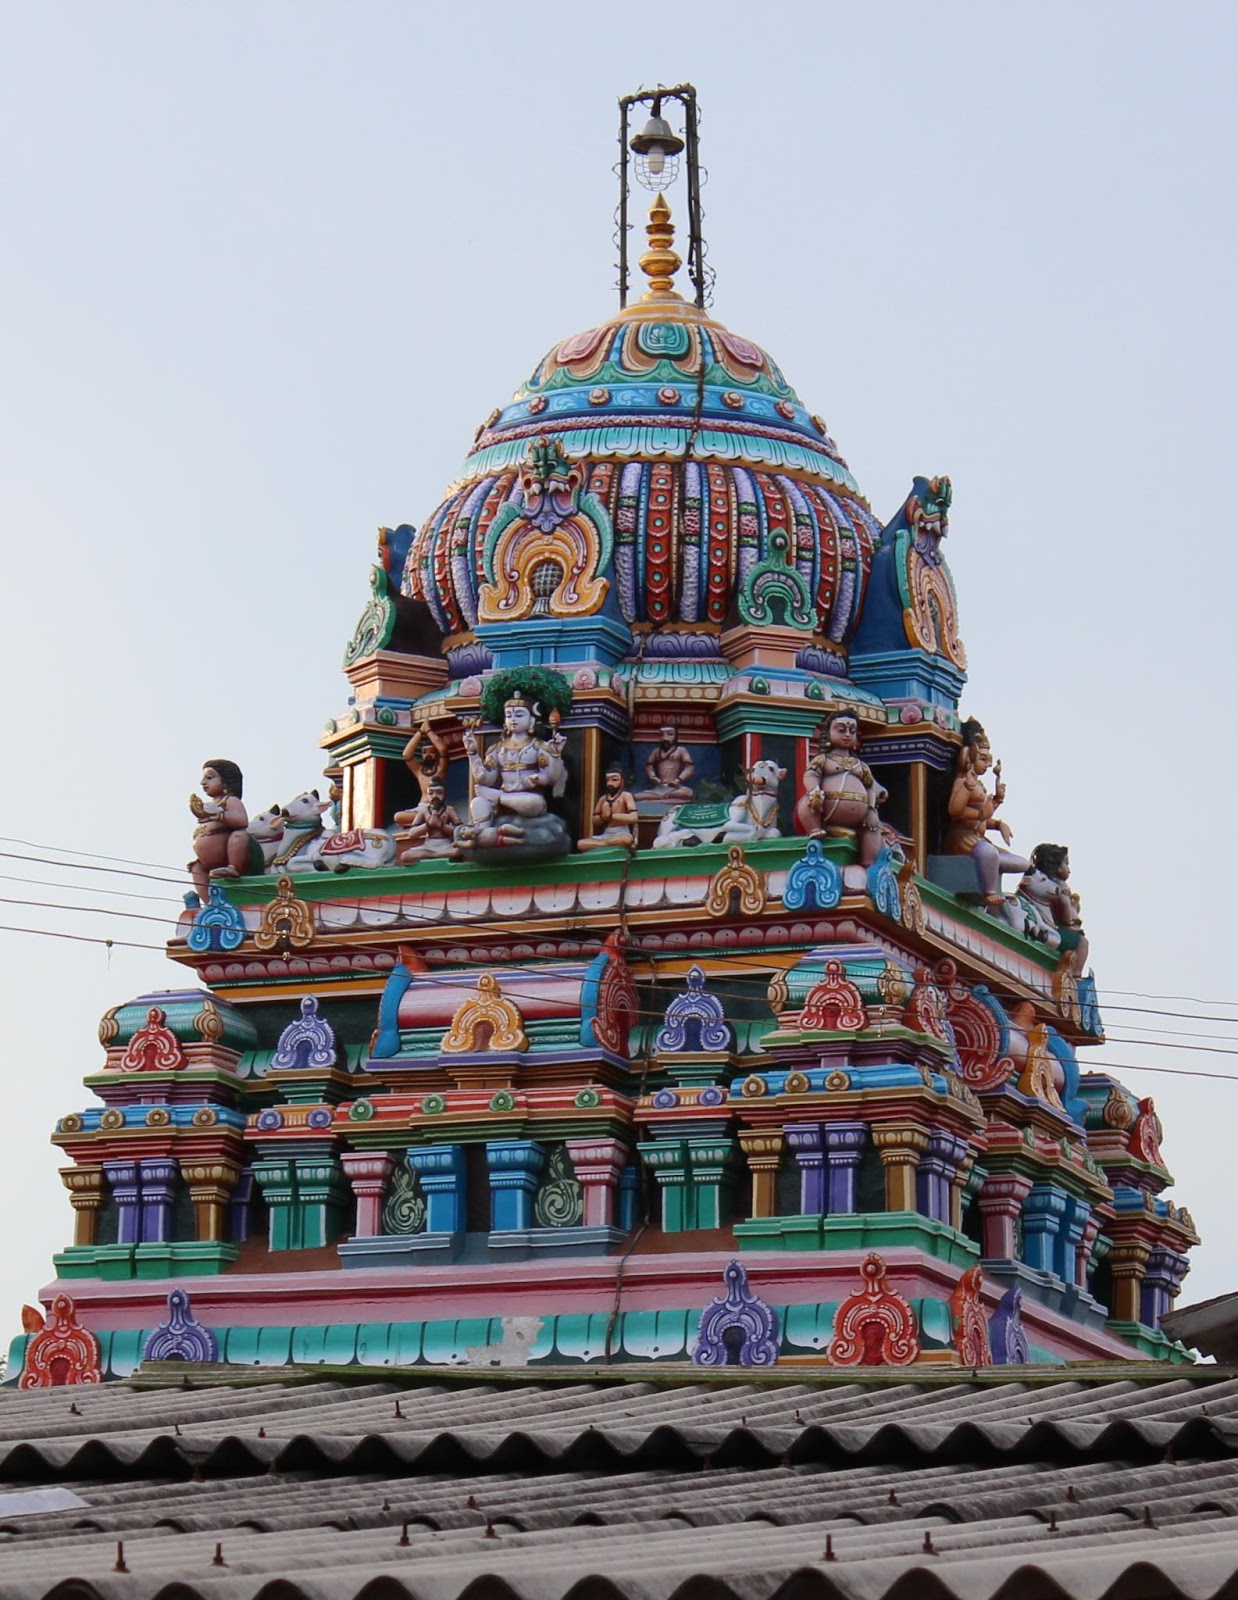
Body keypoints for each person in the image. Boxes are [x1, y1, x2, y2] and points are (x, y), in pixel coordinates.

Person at [456, 692, 566, 849]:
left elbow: (551, 777)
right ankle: (483, 833)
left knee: (535, 803)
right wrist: (472, 753)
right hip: (504, 800)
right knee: (477, 802)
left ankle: (498, 798)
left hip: (527, 799)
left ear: (531, 721)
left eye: (519, 715)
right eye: (509, 715)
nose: (513, 719)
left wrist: (542, 773)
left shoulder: (538, 746)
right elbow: (484, 779)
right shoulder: (497, 748)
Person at [946, 719, 1029, 903]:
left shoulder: (978, 784)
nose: (988, 764)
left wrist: (998, 822)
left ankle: (988, 868)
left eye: (988, 759)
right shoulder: (964, 782)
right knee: (989, 853)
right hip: (963, 838)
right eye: (983, 759)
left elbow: (982, 815)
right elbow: (955, 811)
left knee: (1023, 863)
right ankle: (989, 892)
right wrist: (982, 813)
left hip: (979, 839)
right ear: (970, 756)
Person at [795, 709, 887, 866]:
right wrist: (814, 791)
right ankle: (814, 830)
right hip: (826, 810)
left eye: (852, 731)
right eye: (841, 730)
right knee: (806, 803)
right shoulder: (823, 760)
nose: (847, 735)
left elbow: (870, 787)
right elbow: (811, 775)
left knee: (874, 826)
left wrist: (871, 810)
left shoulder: (861, 766)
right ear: (828, 733)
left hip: (859, 817)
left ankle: (869, 863)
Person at [1019, 843, 1090, 975]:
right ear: (1057, 867)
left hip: (1040, 921)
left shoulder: (1037, 880)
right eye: (1066, 864)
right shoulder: (1058, 887)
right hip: (1051, 928)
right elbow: (1065, 916)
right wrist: (1069, 921)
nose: (1069, 869)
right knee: (1082, 943)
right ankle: (1076, 976)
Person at [188, 760, 255, 897]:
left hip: (228, 855)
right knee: (196, 868)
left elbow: (242, 820)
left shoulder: (230, 801)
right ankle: (209, 903)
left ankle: (233, 868)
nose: (203, 782)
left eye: (209, 778)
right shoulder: (209, 805)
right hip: (208, 862)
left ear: (225, 781)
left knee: (239, 836)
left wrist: (219, 814)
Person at [395, 780, 463, 863]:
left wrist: (441, 825)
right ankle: (433, 855)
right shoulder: (424, 811)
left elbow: (460, 831)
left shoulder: (449, 810)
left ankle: (433, 855)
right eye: (431, 793)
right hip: (428, 845)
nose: (435, 796)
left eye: (439, 793)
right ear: (427, 795)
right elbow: (412, 834)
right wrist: (428, 825)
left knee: (458, 852)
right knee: (405, 856)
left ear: (444, 794)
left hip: (446, 844)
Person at [578, 767, 638, 851]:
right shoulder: (603, 799)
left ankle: (602, 844)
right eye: (607, 780)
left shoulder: (626, 796)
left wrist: (611, 815)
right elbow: (594, 821)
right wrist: (603, 817)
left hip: (622, 832)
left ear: (622, 781)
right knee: (581, 844)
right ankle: (605, 843)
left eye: (614, 780)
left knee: (627, 840)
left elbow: (634, 818)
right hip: (607, 833)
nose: (610, 783)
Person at [636, 724, 695, 801]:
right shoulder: (656, 751)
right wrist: (653, 777)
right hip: (659, 788)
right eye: (661, 735)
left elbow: (689, 767)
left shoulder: (681, 750)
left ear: (676, 736)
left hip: (675, 787)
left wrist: (678, 780)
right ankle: (663, 796)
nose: (665, 738)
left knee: (688, 793)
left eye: (670, 734)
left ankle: (663, 796)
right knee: (636, 796)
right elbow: (649, 766)